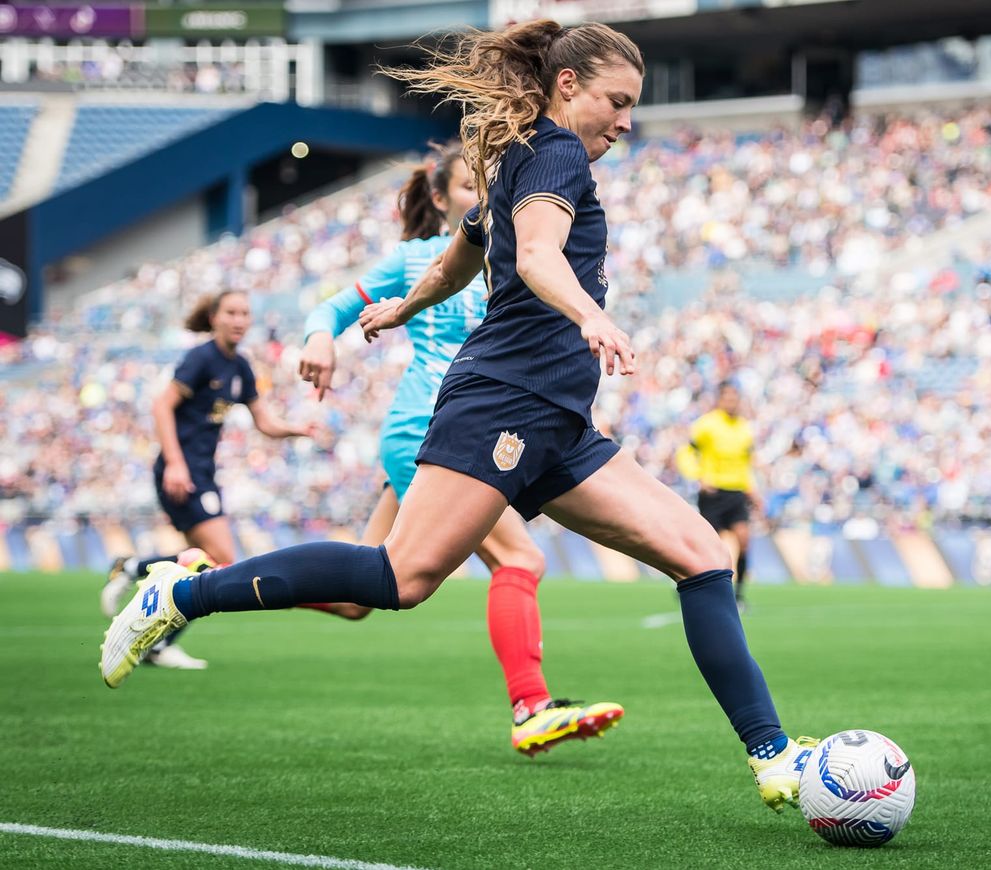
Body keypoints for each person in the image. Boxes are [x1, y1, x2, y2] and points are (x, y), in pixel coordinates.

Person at [102, 19, 813, 813]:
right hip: (503, 401)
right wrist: (591, 317)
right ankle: (178, 596)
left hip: (558, 422)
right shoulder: (555, 154)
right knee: (397, 579)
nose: (626, 120)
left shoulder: (523, 155)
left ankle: (774, 757)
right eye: (617, 101)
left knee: (701, 553)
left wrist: (406, 305)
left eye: (633, 106)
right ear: (568, 86)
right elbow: (537, 258)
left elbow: (464, 252)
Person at [296, 144, 622, 755]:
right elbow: (334, 305)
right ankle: (531, 706)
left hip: (470, 424)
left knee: (356, 599)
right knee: (520, 560)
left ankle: (208, 580)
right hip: (433, 425)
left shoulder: (524, 250)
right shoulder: (419, 258)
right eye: (468, 188)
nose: (482, 196)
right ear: (443, 200)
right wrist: (321, 339)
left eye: (486, 185)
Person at [100, 290, 319, 668]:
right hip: (182, 472)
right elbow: (161, 405)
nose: (239, 320)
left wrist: (295, 429)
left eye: (245, 313)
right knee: (220, 561)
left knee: (199, 563)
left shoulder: (241, 368)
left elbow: (264, 422)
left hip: (201, 473)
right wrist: (175, 463)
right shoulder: (201, 358)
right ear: (215, 317)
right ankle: (140, 591)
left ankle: (138, 585)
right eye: (231, 312)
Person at [677, 382, 762, 610]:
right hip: (713, 493)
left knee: (744, 541)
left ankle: (740, 595)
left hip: (736, 492)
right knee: (708, 545)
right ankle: (690, 582)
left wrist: (753, 489)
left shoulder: (744, 428)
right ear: (720, 399)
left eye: (735, 398)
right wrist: (698, 476)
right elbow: (685, 452)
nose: (732, 402)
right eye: (728, 398)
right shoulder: (707, 425)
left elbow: (746, 464)